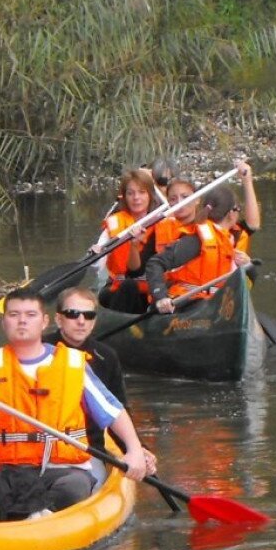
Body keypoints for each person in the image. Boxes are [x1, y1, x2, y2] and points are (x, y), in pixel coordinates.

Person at [0, 289, 155, 519]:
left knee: (74, 488)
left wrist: (134, 449)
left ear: (44, 322)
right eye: (14, 314)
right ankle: (25, 517)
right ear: (4, 322)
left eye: (30, 314)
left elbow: (114, 410)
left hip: (65, 468)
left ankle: (42, 516)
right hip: (11, 468)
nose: (22, 321)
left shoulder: (75, 364)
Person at [137, 183, 243, 312]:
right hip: (184, 303)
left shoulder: (228, 240)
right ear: (231, 213)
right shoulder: (197, 240)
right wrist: (160, 297)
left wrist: (249, 268)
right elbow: (155, 263)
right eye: (239, 209)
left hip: (213, 303)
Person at [92, 167, 160, 310]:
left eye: (142, 192)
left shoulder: (162, 222)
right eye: (131, 193)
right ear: (124, 197)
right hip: (118, 289)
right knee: (129, 287)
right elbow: (98, 262)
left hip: (151, 291)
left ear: (150, 195)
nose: (136, 198)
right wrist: (95, 253)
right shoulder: (115, 222)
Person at [51, 282, 127, 409]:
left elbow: (120, 406)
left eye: (88, 316)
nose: (81, 322)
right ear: (58, 319)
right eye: (72, 314)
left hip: (95, 427)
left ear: (94, 322)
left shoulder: (107, 356)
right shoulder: (39, 350)